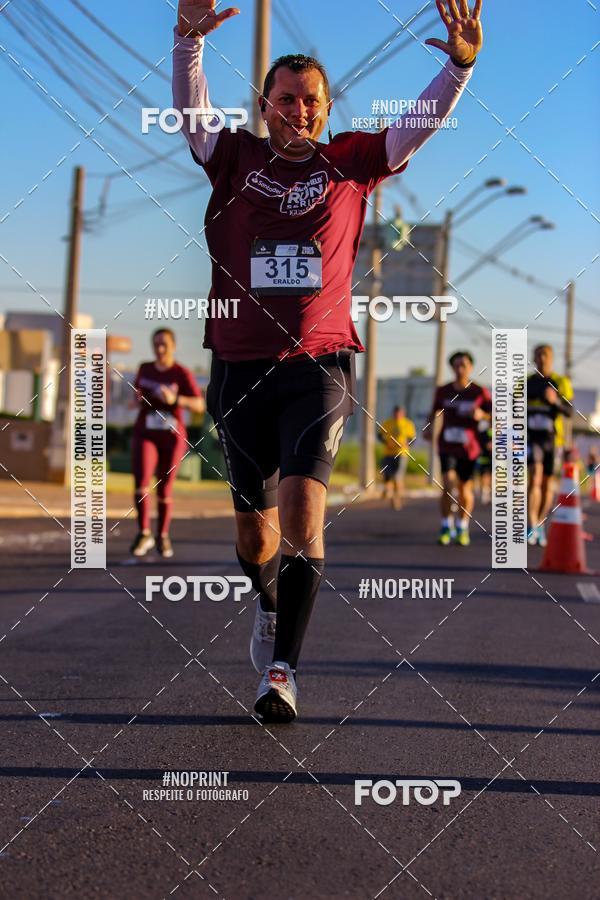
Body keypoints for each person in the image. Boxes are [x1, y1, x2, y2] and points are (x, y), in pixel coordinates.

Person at [173, 0, 484, 721]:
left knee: (304, 514)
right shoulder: (232, 160)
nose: (299, 110)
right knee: (255, 534)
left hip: (319, 365)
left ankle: (281, 671)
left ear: (325, 108)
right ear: (266, 105)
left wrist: (458, 66)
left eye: (311, 100)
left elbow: (419, 124)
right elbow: (191, 112)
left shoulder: (352, 162)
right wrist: (187, 43)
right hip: (239, 369)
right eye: (286, 98)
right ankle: (266, 602)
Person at [131, 329, 205, 559]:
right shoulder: (145, 368)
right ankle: (144, 533)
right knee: (142, 481)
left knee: (164, 487)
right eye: (156, 344)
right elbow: (136, 395)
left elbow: (199, 405)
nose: (160, 349)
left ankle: (162, 535)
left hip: (172, 435)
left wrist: (176, 400)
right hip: (146, 432)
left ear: (173, 345)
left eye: (164, 344)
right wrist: (137, 398)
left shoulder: (181, 373)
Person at [426, 351, 491, 546]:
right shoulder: (443, 390)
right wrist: (428, 429)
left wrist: (482, 415)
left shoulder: (479, 392)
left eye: (464, 364)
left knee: (465, 490)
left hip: (469, 448)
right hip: (447, 444)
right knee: (447, 484)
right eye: (456, 364)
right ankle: (446, 525)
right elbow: (434, 411)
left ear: (471, 367)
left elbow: (494, 414)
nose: (460, 368)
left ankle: (462, 526)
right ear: (452, 368)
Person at [527, 344, 573, 546]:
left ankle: (540, 524)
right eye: (538, 355)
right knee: (534, 479)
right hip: (531, 438)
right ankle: (531, 524)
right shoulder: (526, 382)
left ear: (552, 358)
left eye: (546, 355)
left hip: (553, 440)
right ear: (534, 358)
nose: (542, 359)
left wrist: (554, 402)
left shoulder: (561, 382)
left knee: (547, 485)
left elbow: (570, 412)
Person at [378, 406, 416, 509]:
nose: (397, 415)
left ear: (403, 414)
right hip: (388, 453)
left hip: (401, 454)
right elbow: (379, 435)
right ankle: (387, 490)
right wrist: (386, 442)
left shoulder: (408, 424)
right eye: (396, 413)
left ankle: (396, 499)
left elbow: (412, 439)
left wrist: (406, 444)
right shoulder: (388, 422)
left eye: (399, 413)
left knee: (397, 477)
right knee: (387, 475)